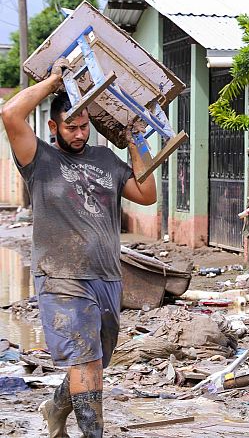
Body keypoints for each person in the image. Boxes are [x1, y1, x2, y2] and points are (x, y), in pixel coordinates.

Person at [1, 58, 157, 437]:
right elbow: (10, 113)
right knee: (85, 360)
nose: (79, 133)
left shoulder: (105, 159)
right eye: (71, 126)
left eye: (84, 126)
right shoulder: (39, 158)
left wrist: (136, 140)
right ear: (53, 126)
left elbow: (147, 193)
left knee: (93, 363)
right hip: (61, 276)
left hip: (106, 276)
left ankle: (55, 409)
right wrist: (53, 81)